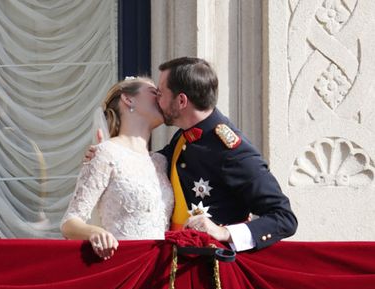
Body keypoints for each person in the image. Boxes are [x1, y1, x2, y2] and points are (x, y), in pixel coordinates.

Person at [85, 57, 297, 253]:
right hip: (172, 264)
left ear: (182, 101)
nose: (157, 99)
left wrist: (225, 233)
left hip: (212, 272)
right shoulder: (183, 138)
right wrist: (110, 156)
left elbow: (284, 217)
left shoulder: (232, 152)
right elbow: (149, 165)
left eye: (160, 92)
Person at [60, 77, 174, 260]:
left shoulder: (161, 161)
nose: (160, 98)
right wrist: (94, 232)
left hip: (159, 268)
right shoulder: (105, 154)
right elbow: (69, 223)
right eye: (154, 92)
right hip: (124, 262)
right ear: (128, 99)